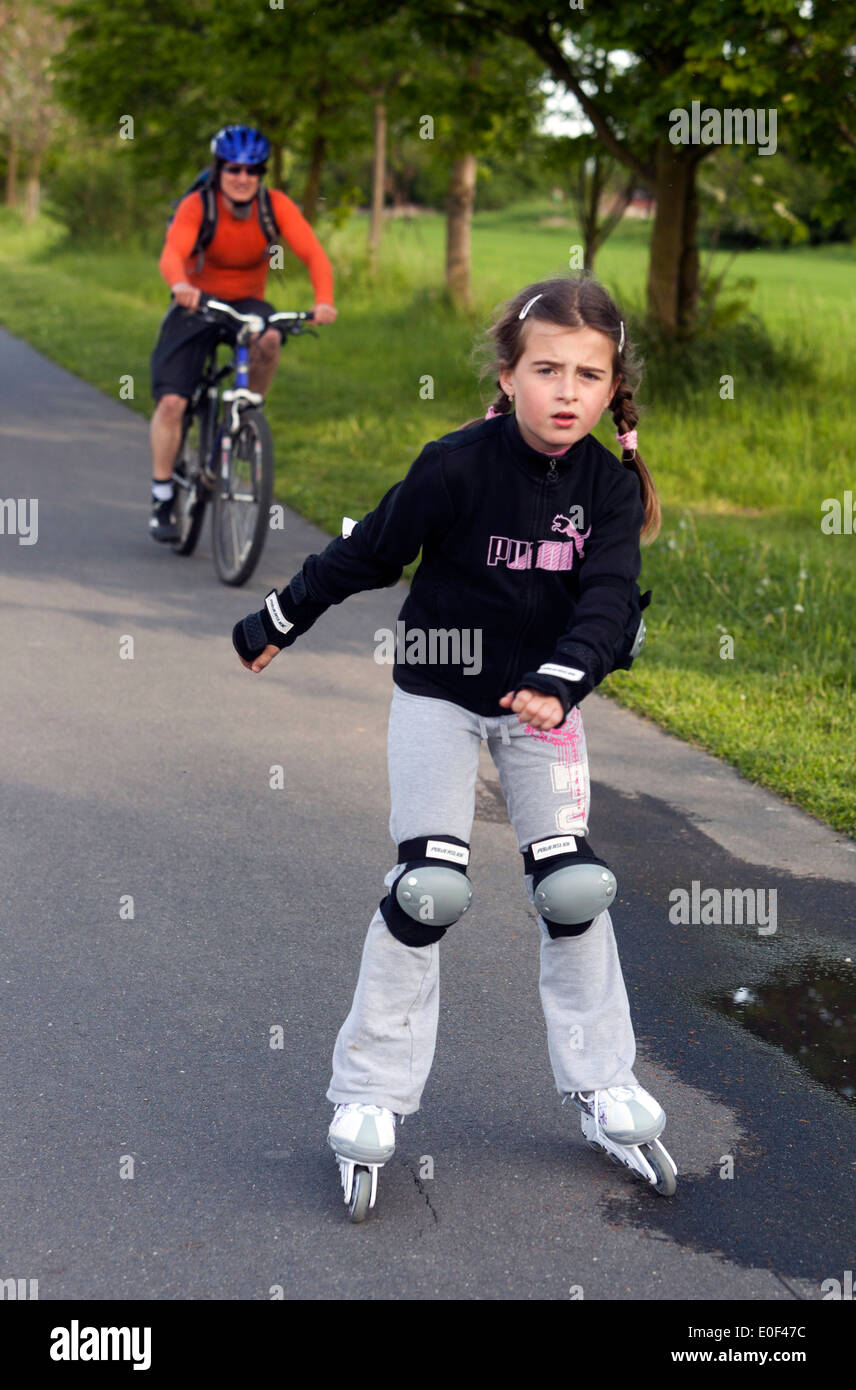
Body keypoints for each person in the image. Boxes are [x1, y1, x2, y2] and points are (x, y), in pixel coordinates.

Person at [232, 274, 671, 1203]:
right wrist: (279, 615)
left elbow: (606, 601)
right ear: (507, 374)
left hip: (543, 707)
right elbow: (370, 551)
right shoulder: (455, 464)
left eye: (587, 376)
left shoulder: (609, 489)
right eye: (545, 369)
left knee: (574, 885)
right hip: (437, 691)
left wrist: (561, 681)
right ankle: (371, 1095)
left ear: (611, 389)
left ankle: (601, 1080)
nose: (565, 391)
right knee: (429, 887)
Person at [148, 124, 337, 542]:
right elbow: (172, 253)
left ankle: (248, 409)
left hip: (247, 303)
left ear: (261, 174)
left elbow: (313, 253)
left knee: (269, 337)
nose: (242, 177)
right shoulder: (199, 205)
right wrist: (180, 285)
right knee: (173, 402)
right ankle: (162, 495)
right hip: (196, 301)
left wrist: (323, 299)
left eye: (253, 170)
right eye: (233, 168)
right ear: (219, 169)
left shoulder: (275, 206)